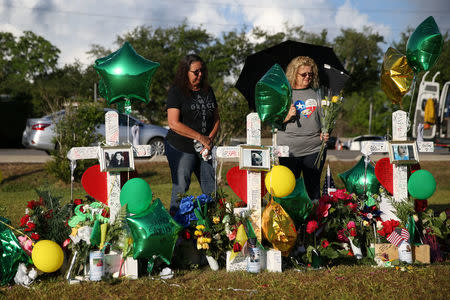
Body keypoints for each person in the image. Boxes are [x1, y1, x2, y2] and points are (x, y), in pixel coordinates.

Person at [165, 54, 220, 215]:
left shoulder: (208, 91)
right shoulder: (176, 92)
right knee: (181, 188)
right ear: (185, 72)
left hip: (205, 149)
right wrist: (200, 137)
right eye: (196, 72)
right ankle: (176, 231)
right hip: (181, 148)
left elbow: (216, 118)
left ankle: (213, 229)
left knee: (211, 190)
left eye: (202, 71)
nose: (200, 75)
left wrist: (209, 140)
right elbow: (173, 123)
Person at [277, 56, 329, 201]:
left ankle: (314, 223)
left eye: (311, 74)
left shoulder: (317, 93)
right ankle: (292, 222)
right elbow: (272, 122)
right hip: (289, 150)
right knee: (289, 190)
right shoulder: (283, 93)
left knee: (312, 191)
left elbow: (325, 120)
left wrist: (326, 132)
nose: (308, 77)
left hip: (313, 148)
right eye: (304, 74)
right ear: (294, 73)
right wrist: (286, 117)